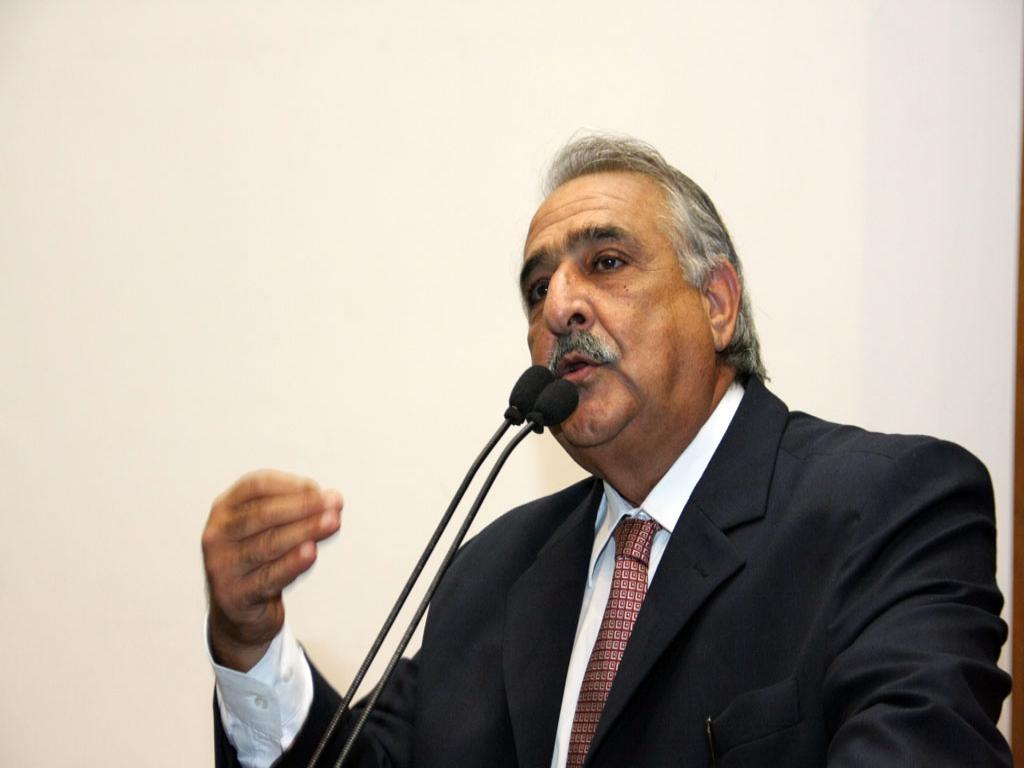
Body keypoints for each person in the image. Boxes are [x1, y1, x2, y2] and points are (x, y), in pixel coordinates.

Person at [202, 136, 1012, 767]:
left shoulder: (887, 507)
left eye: (607, 263)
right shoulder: (491, 573)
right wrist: (249, 646)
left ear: (717, 302)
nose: (560, 306)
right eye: (537, 290)